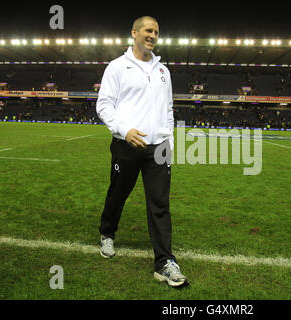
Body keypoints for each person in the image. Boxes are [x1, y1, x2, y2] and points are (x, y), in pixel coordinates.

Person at [96, 16, 188, 288]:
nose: (153, 35)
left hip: (158, 148)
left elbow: (168, 110)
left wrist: (167, 139)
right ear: (134, 32)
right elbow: (104, 105)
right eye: (148, 30)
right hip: (127, 145)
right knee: (118, 193)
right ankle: (107, 233)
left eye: (156, 32)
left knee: (160, 204)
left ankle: (164, 263)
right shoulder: (117, 67)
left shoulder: (163, 72)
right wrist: (125, 130)